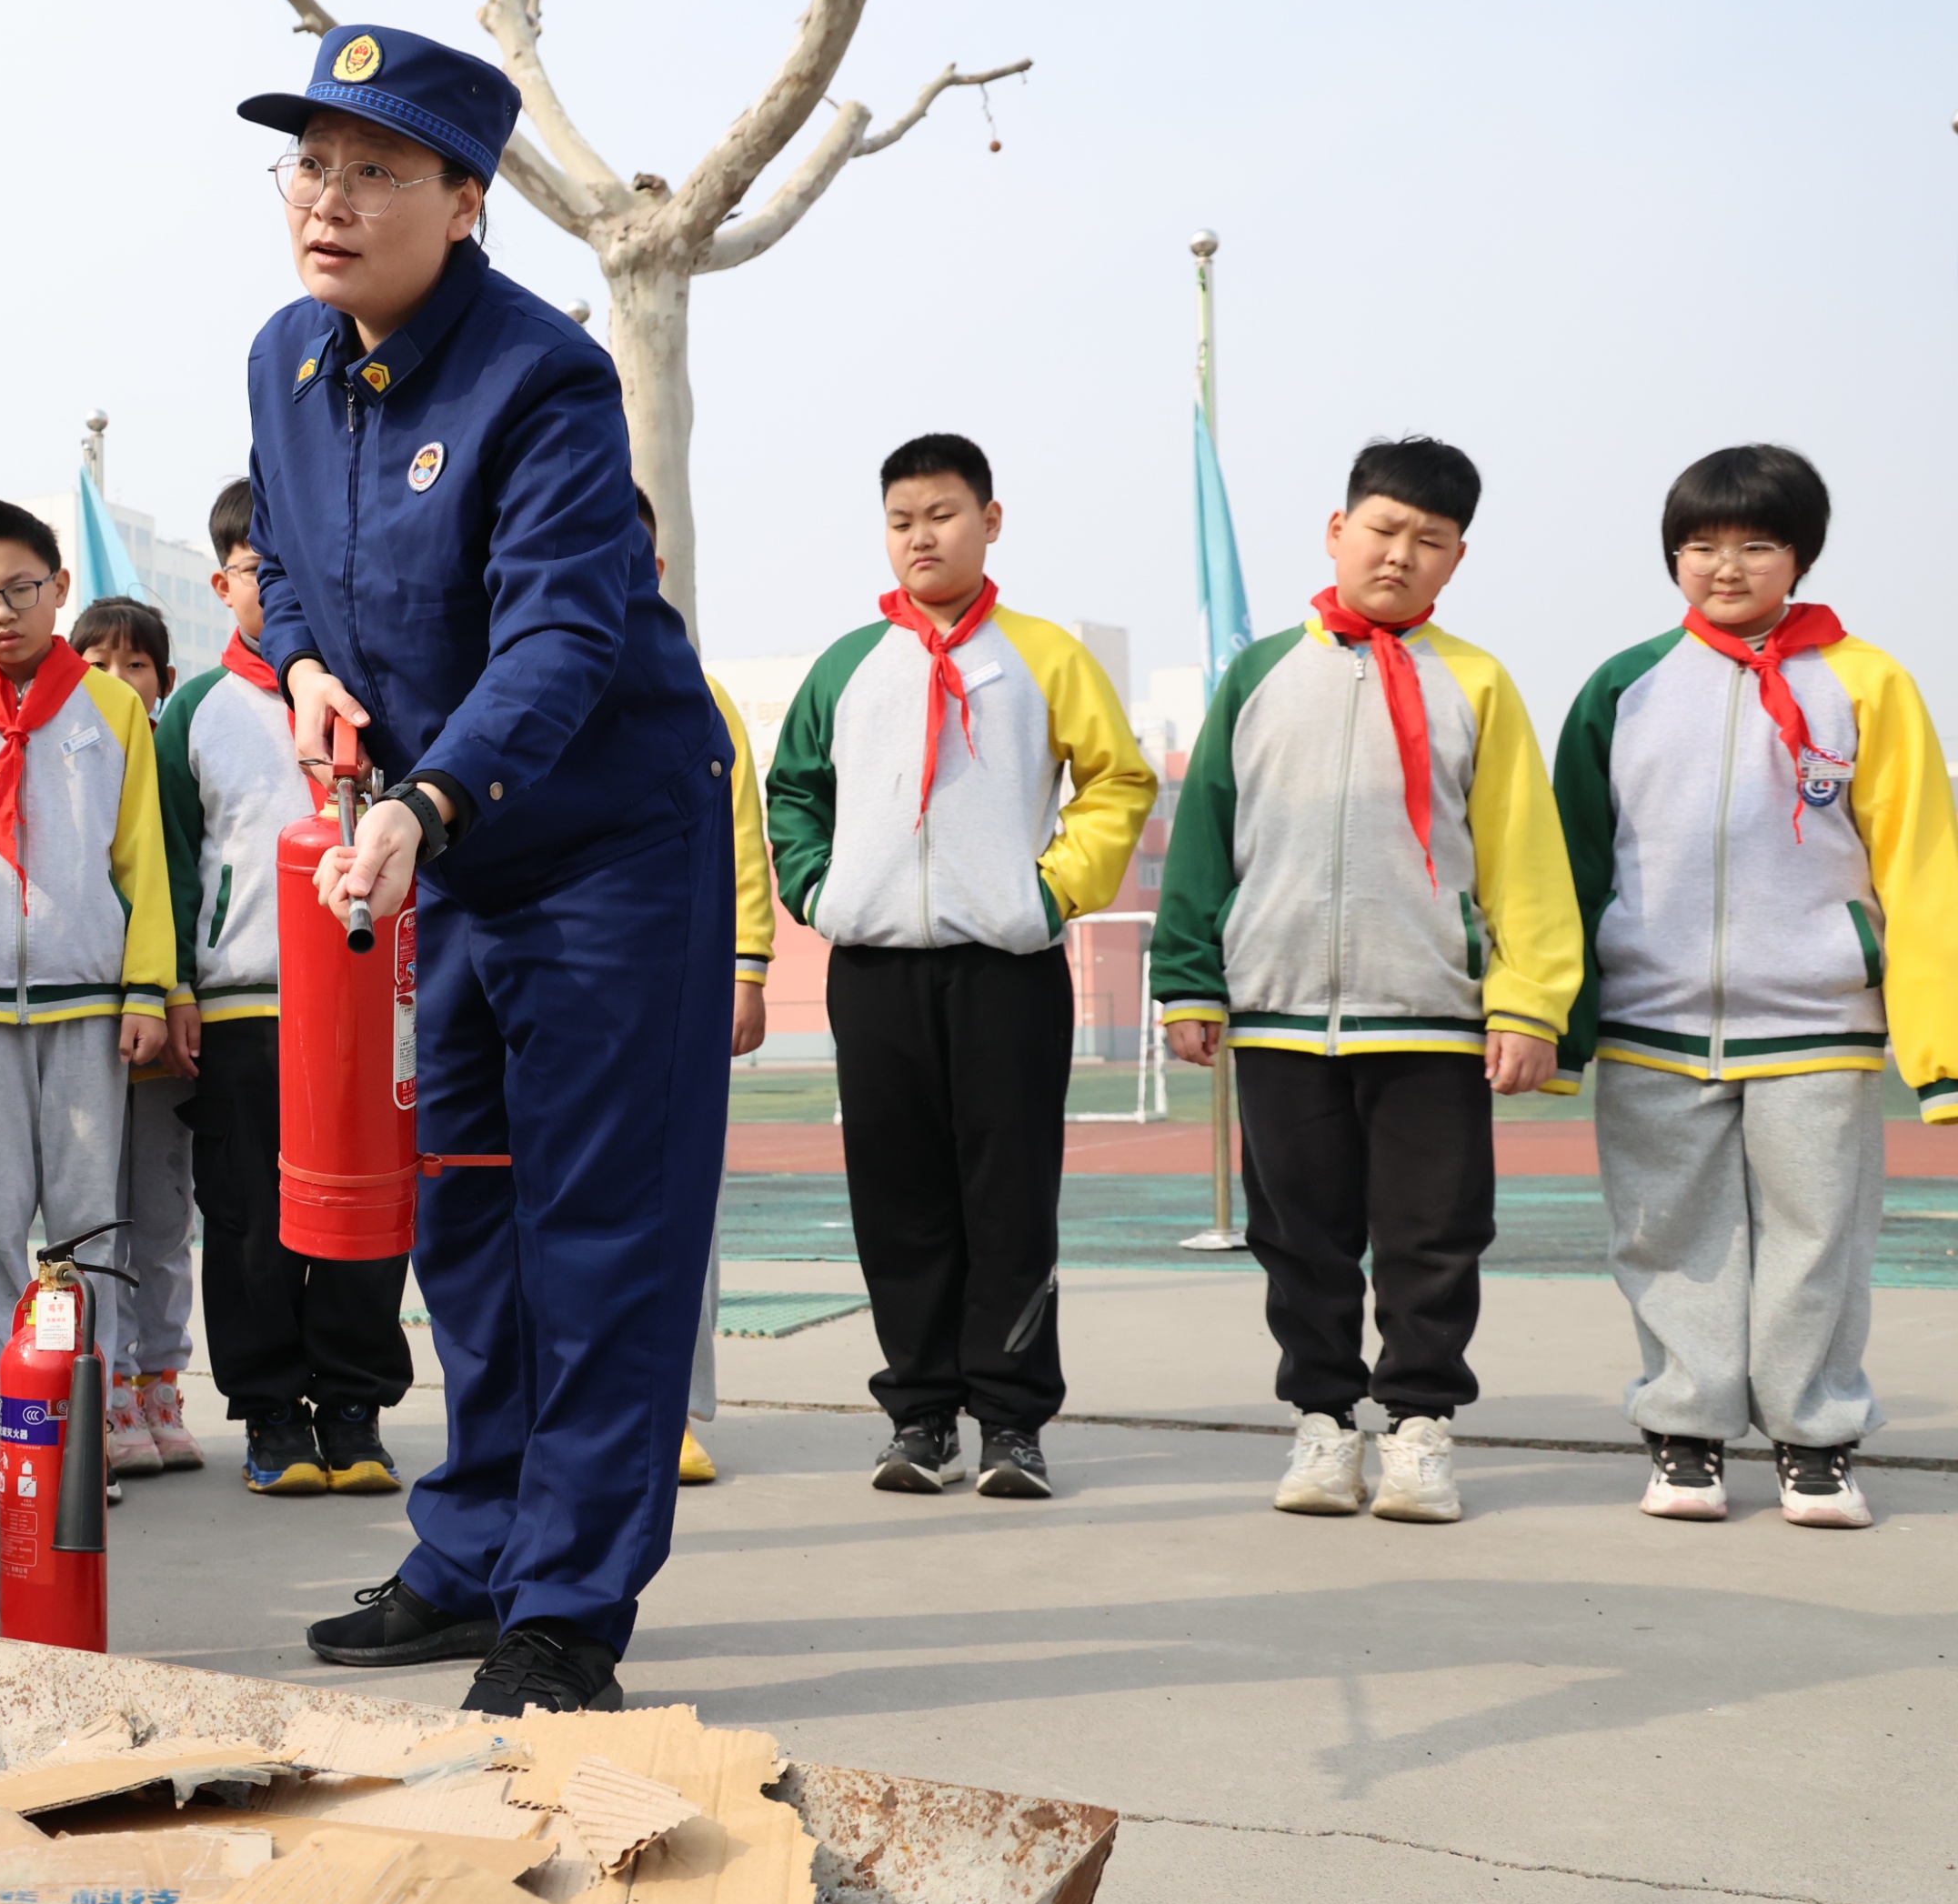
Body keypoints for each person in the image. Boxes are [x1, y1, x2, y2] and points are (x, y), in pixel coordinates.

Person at [238, 25, 728, 1718]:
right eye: (311, 163)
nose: (328, 199)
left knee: (595, 1230)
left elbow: (563, 634)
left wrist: (432, 798)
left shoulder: (544, 379)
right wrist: (303, 664)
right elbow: (285, 566)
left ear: (465, 203)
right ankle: (471, 1551)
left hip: (599, 847)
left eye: (375, 170)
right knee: (464, 1210)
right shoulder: (286, 360)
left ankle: (568, 1604)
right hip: (436, 846)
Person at [1150, 437, 1580, 1526]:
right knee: (1299, 1239)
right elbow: (1204, 837)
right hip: (1281, 1016)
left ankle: (1421, 1429)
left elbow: (1524, 856)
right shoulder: (1257, 676)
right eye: (1382, 530)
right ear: (1336, 532)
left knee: (1433, 1237)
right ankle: (1323, 1424)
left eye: (1428, 541)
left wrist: (1529, 1002)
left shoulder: (1476, 682)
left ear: (1455, 559)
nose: (1399, 554)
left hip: (1430, 1016)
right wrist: (1190, 980)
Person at [1553, 445, 1950, 1528]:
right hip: (1653, 1021)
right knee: (1665, 1236)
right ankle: (1684, 1434)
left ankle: (1813, 1441)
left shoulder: (1868, 682)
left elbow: (1921, 867)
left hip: (1819, 1021)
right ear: (1672, 557)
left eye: (1755, 545)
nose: (1724, 568)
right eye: (1699, 546)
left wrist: (1940, 1052)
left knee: (1816, 1239)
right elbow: (1569, 868)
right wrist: (1561, 1025)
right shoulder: (1622, 686)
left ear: (1800, 556)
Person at [762, 435, 1156, 1502]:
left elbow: (1117, 780)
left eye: (941, 515)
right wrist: (819, 892)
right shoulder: (848, 665)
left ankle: (1012, 1423)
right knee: (895, 1196)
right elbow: (791, 790)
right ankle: (920, 1416)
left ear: (990, 520)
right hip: (874, 970)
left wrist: (1048, 895)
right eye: (900, 521)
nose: (920, 538)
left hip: (1006, 968)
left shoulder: (1044, 657)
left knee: (1008, 1195)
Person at [0, 498, 178, 1510]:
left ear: (59, 587)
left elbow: (143, 857)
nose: (2, 612)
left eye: (20, 589)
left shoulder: (109, 708)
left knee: (84, 1229)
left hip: (87, 1000)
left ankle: (75, 1423)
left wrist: (148, 985)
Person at [159, 477, 413, 1497]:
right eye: (259, 571)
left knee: (366, 1211)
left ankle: (354, 1406)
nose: (278, 587)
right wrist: (176, 988)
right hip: (245, 1003)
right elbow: (170, 865)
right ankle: (269, 1412)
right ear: (223, 585)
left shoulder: (383, 698)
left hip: (367, 1002)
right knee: (248, 1219)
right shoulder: (196, 710)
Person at [638, 488, 774, 1491]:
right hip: (558, 994)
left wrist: (746, 966)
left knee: (684, 1204)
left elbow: (741, 840)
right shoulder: (514, 688)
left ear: (654, 569)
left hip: (677, 990)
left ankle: (674, 1410)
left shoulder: (698, 695)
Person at [73, 592, 202, 1476]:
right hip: (84, 1023)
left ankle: (161, 1381)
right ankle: (108, 1385)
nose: (117, 679)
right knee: (92, 1219)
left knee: (161, 1217)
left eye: (136, 664)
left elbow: (179, 887)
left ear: (163, 678)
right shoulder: (65, 755)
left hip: (165, 1018)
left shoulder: (172, 760)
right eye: (96, 663)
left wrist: (173, 987)